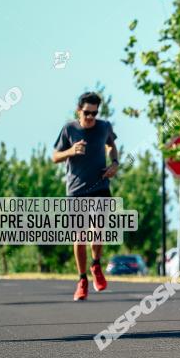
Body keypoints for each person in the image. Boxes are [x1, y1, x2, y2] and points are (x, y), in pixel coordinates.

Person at [52, 92, 119, 301]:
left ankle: (96, 265)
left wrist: (115, 164)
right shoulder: (69, 129)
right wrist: (70, 151)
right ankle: (82, 280)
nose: (91, 117)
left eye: (94, 113)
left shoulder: (104, 126)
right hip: (76, 190)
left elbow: (111, 145)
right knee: (79, 238)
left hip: (100, 186)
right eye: (87, 113)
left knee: (98, 230)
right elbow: (55, 156)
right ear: (78, 110)